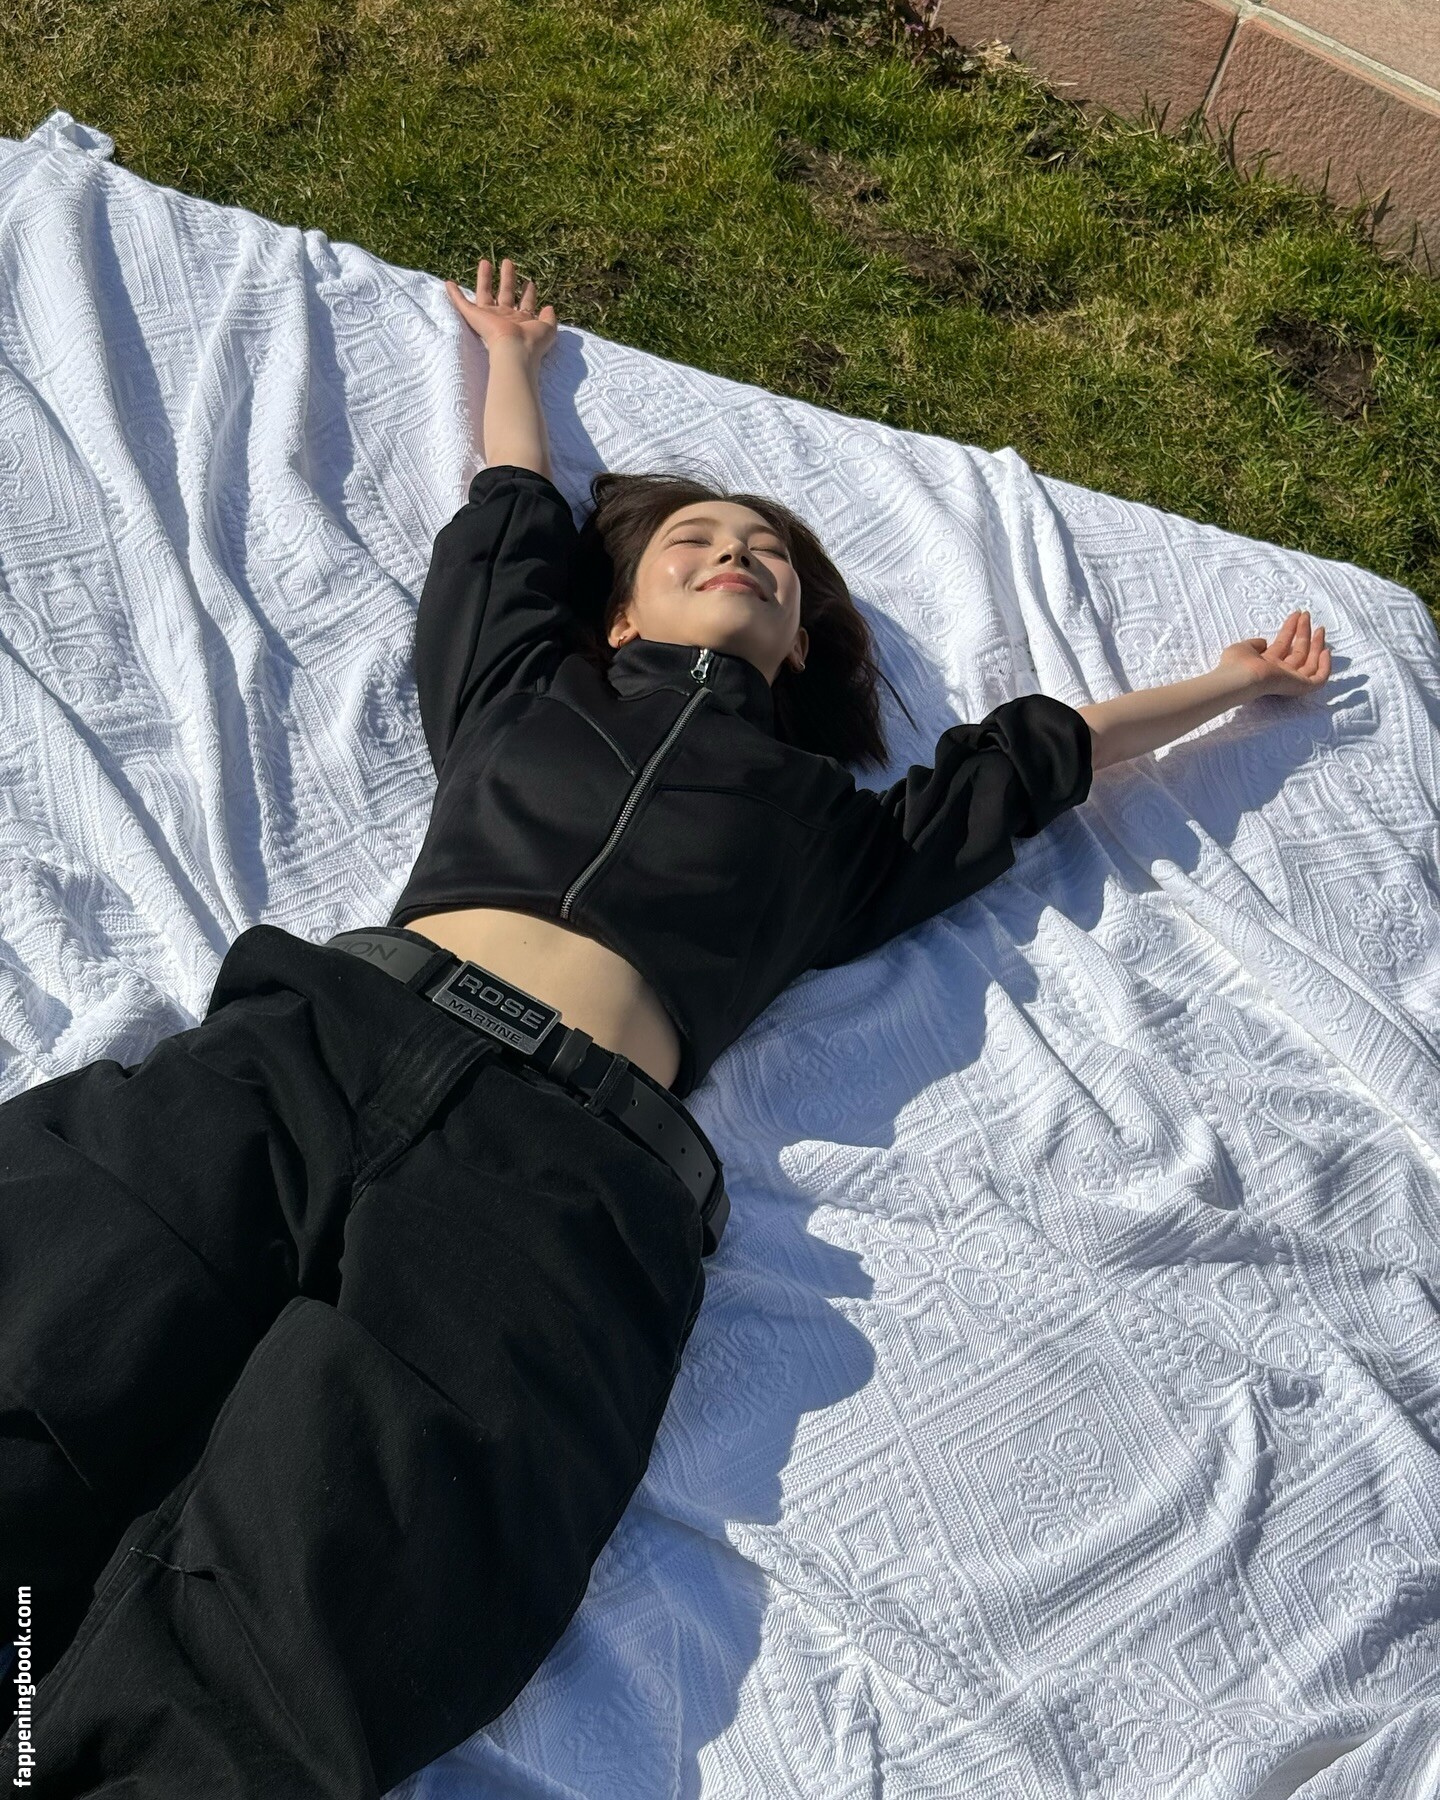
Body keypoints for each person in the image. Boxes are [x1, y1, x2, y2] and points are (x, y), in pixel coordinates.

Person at [0, 256, 1330, 1796]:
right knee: (54, 1310)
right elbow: (512, 523)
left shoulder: (835, 833)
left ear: (804, 642)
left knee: (334, 1575)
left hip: (557, 1175)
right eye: (695, 539)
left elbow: (1023, 769)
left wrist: (1219, 688)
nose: (738, 553)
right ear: (623, 604)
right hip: (324, 1042)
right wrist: (511, 364)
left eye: (771, 557)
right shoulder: (518, 691)